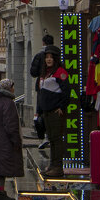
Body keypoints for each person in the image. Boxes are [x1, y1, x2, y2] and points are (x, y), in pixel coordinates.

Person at [35, 50, 70, 178]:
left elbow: (67, 90)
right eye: (47, 57)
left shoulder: (60, 72)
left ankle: (58, 167)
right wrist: (39, 111)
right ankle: (52, 165)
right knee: (51, 138)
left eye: (51, 57)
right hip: (46, 111)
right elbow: (40, 92)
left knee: (56, 138)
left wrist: (62, 106)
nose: (48, 60)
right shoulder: (45, 73)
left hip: (55, 111)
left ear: (55, 59)